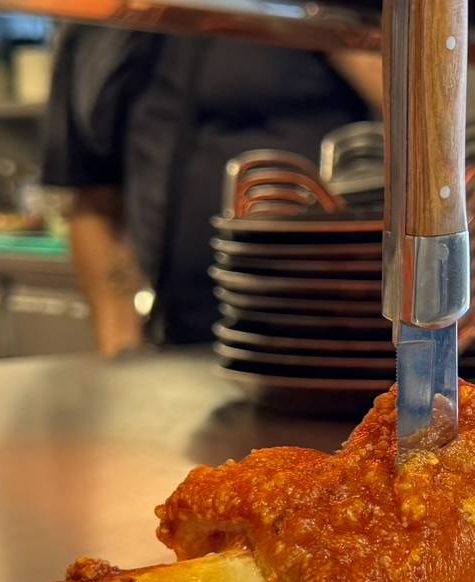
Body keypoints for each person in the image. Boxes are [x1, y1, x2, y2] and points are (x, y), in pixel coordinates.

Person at [42, 27, 380, 355]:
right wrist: (121, 350)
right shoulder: (95, 26)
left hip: (335, 340)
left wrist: (351, 34)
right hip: (176, 342)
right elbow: (92, 198)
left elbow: (411, 124)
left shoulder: (320, 15)